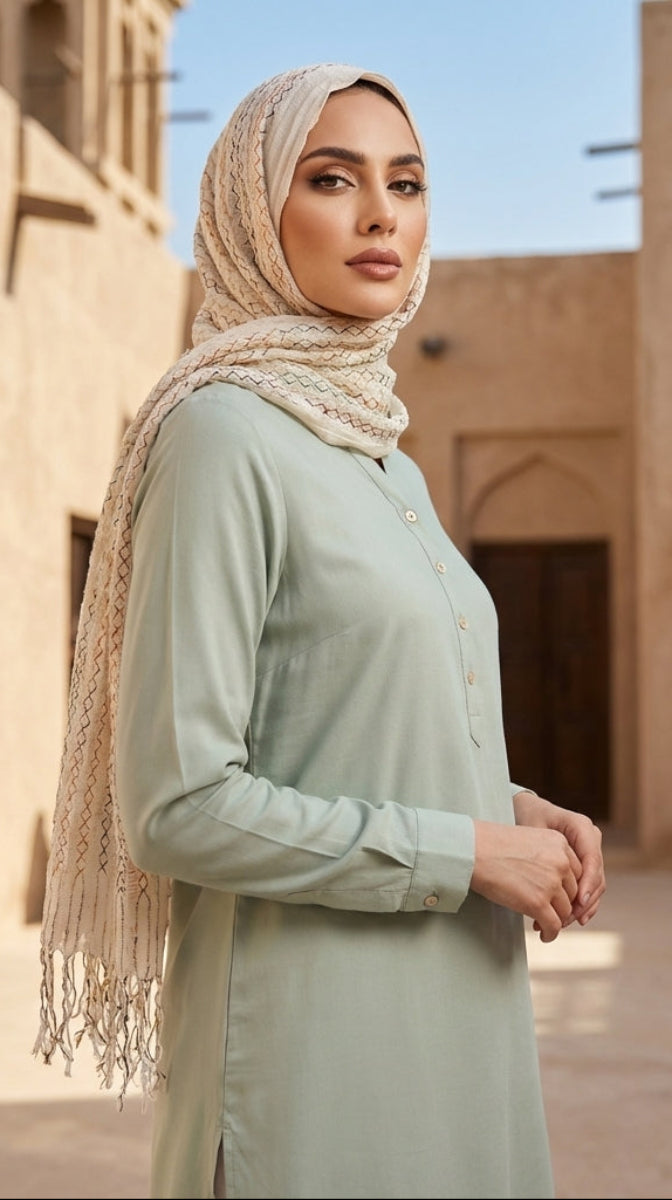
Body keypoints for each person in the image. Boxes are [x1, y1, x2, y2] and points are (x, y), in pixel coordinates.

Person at [35, 63, 606, 1200]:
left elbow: (349, 725)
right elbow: (179, 805)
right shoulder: (218, 434)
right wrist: (470, 854)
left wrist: (513, 810)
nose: (381, 213)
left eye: (407, 182)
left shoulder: (380, 453)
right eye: (332, 178)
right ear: (254, 207)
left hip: (461, 1026)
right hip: (311, 1057)